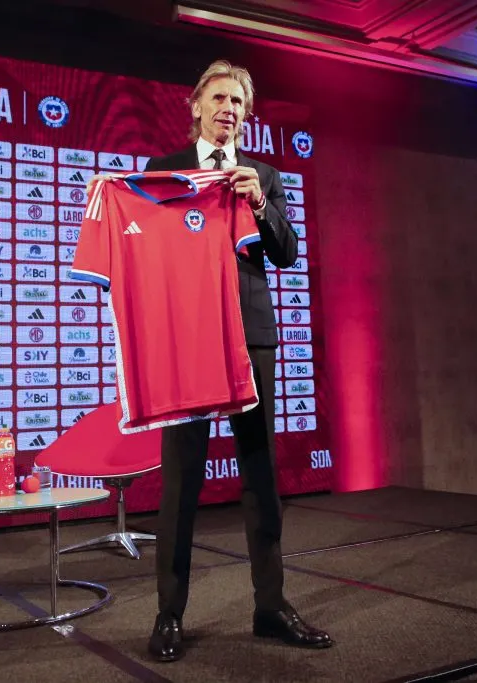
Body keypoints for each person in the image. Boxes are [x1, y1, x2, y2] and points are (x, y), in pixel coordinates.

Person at [89, 59, 332, 662]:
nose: (229, 109)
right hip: (186, 340)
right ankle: (169, 614)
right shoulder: (162, 171)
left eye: (239, 103)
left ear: (247, 117)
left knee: (261, 476)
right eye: (219, 97)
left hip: (250, 337)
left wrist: (262, 205)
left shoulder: (265, 175)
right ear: (195, 105)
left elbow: (285, 254)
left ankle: (271, 606)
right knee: (182, 478)